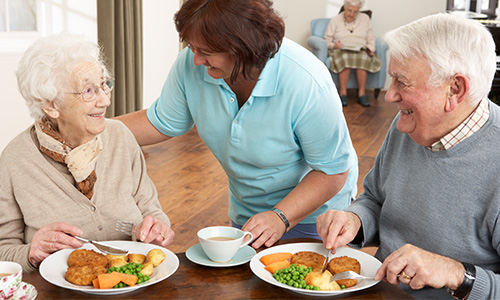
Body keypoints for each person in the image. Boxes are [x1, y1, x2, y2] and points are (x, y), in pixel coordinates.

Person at [116, 0, 358, 249]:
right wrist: (89, 128)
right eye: (191, 47)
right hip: (249, 214)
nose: (196, 59)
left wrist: (280, 217)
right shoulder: (190, 64)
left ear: (242, 47)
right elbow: (160, 122)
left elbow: (333, 171)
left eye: (206, 52)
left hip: (314, 217)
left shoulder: (306, 81)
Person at [317, 13, 500, 299]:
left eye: (401, 82)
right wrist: (355, 220)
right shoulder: (408, 125)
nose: (389, 96)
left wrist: (455, 273)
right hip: (379, 291)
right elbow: (375, 198)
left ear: (455, 89)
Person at [0, 33, 174, 272]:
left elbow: (151, 211)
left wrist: (158, 230)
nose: (104, 100)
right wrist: (31, 253)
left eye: (104, 84)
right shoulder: (15, 160)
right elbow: (4, 251)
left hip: (131, 283)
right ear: (50, 104)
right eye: (89, 91)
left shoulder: (120, 137)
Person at [324, 0, 382, 107]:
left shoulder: (365, 19)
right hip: (341, 50)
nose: (351, 14)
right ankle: (343, 93)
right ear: (344, 8)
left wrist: (371, 48)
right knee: (345, 58)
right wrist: (334, 45)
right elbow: (327, 39)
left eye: (355, 12)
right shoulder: (335, 20)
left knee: (363, 59)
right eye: (349, 10)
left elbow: (370, 36)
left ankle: (362, 94)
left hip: (359, 49)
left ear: (359, 10)